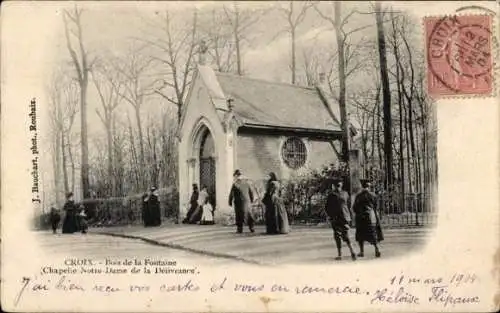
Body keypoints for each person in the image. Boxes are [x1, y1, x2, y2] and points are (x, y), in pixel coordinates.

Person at [325, 179, 356, 261]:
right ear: (341, 185)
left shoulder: (331, 195)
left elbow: (327, 207)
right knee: (346, 235)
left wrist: (330, 216)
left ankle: (340, 255)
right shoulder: (345, 194)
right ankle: (352, 252)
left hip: (336, 218)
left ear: (334, 186)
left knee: (337, 235)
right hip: (345, 217)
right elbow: (349, 205)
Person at [352, 179, 384, 258]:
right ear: (369, 187)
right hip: (371, 217)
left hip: (361, 218)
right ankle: (377, 250)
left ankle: (362, 252)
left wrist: (358, 213)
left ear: (362, 186)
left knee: (360, 235)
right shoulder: (373, 195)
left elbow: (354, 207)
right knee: (373, 234)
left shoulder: (358, 196)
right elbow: (377, 207)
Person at [228, 169, 255, 233]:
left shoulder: (235, 184)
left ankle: (239, 229)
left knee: (239, 215)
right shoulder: (247, 183)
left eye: (235, 176)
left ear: (237, 176)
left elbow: (231, 194)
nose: (234, 177)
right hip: (247, 202)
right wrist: (251, 200)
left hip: (238, 202)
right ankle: (251, 227)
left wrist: (230, 202)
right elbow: (251, 192)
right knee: (249, 215)